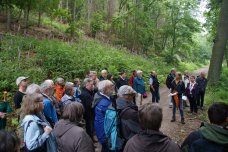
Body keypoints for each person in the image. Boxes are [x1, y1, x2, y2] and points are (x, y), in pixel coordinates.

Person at [93, 80, 114, 152]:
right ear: (105, 89)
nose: (113, 88)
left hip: (102, 131)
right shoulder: (104, 103)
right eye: (111, 87)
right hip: (105, 133)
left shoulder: (100, 96)